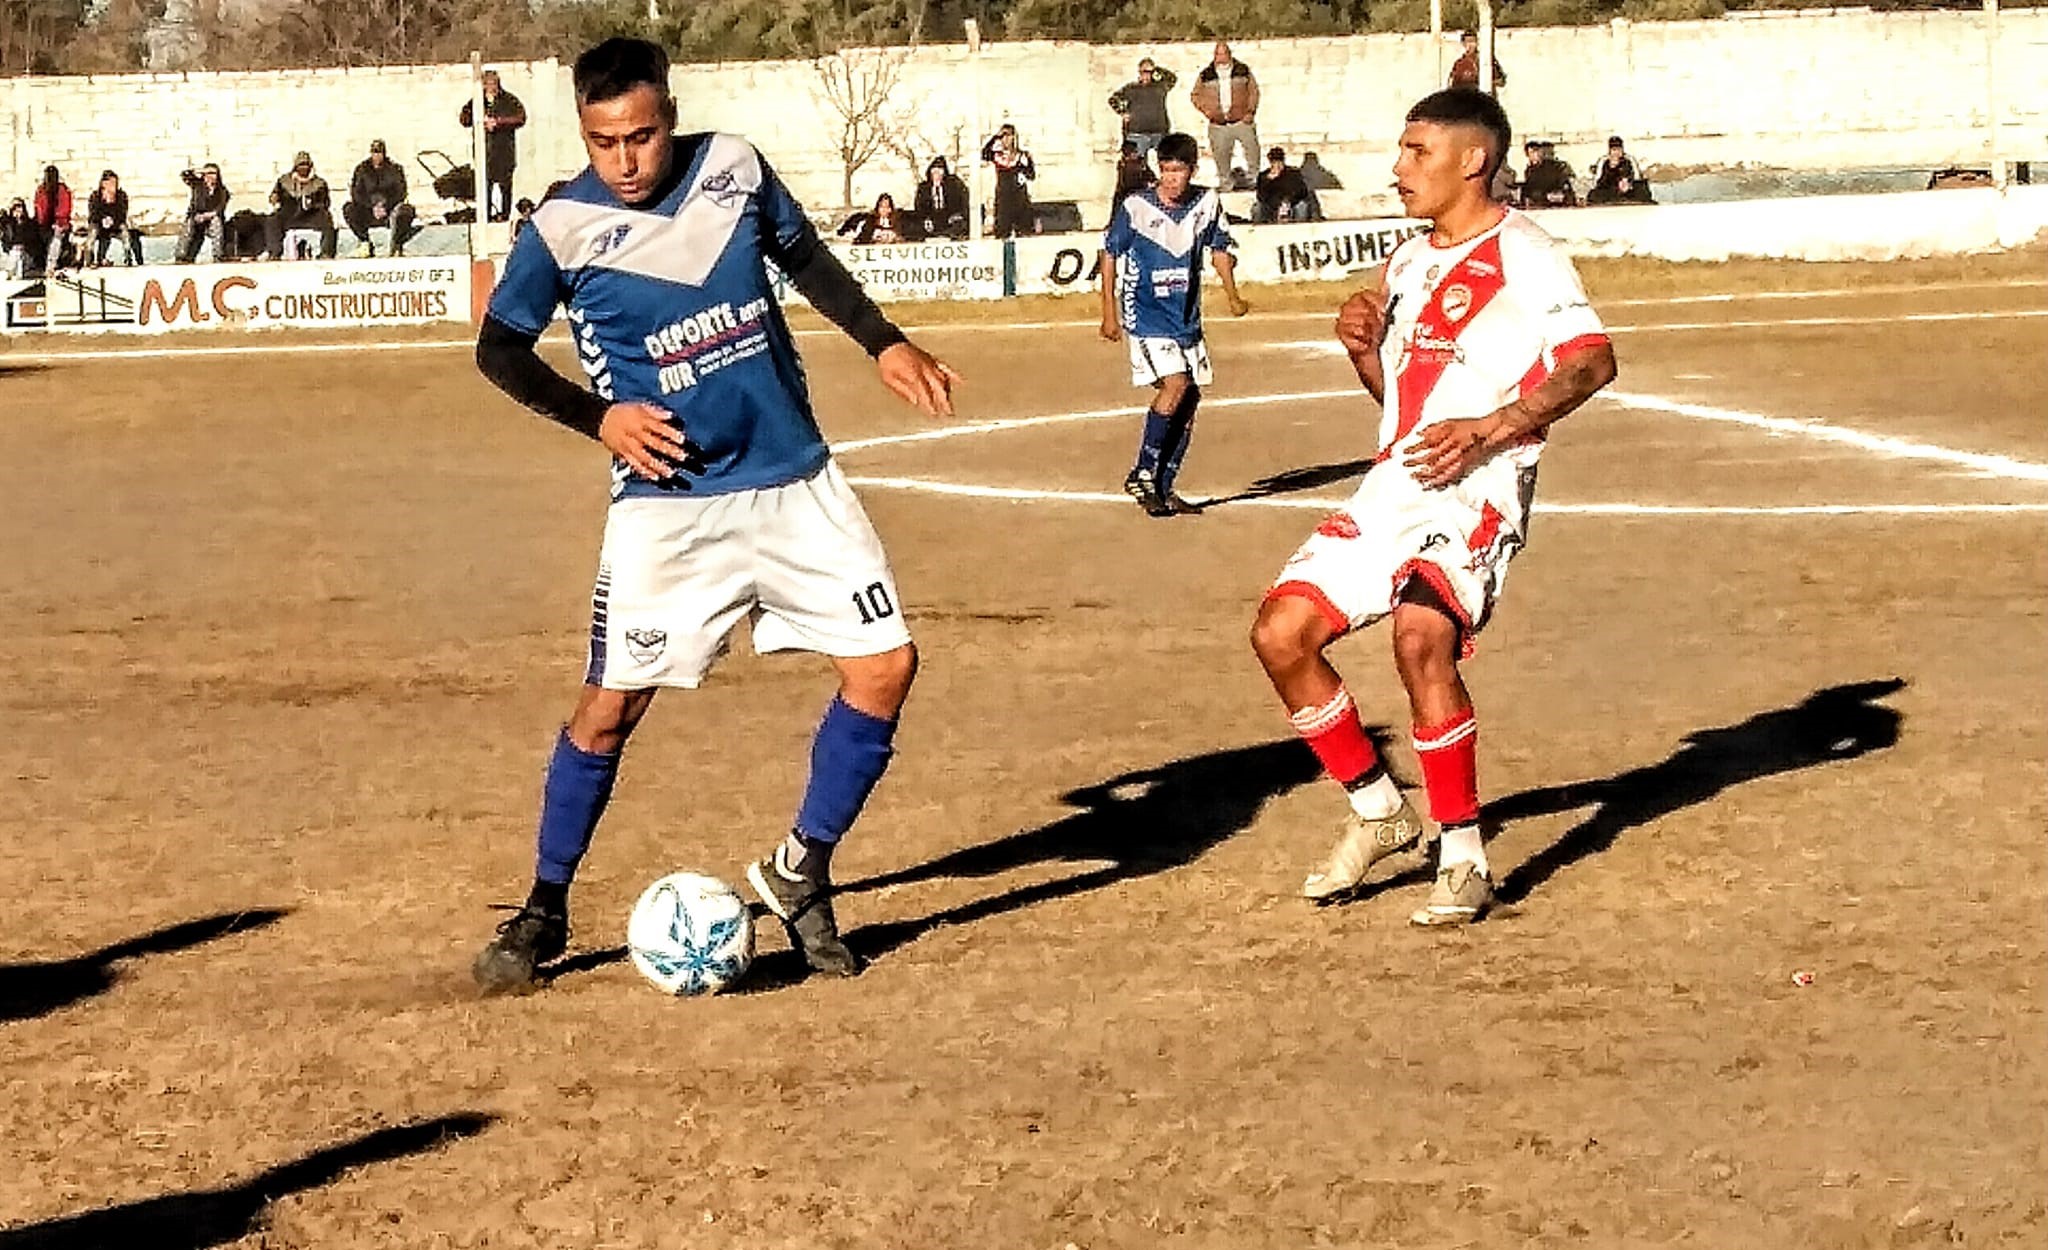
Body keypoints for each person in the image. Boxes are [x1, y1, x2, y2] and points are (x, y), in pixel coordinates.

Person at [469, 37, 961, 994]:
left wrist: (883, 343)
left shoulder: (732, 166)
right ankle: (544, 906)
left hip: (793, 483)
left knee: (887, 667)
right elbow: (500, 350)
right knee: (609, 708)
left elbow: (805, 256)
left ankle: (802, 870)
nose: (624, 161)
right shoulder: (563, 226)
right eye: (603, 142)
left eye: (642, 137)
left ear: (671, 115)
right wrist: (598, 416)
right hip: (670, 509)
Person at [1249, 90, 1616, 926]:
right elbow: (1398, 406)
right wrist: (1359, 351)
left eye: (1417, 152)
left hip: (1480, 485)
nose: (1398, 168)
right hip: (1398, 479)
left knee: (1423, 638)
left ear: (1472, 160)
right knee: (1280, 634)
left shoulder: (1525, 252)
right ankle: (1381, 813)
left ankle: (1463, 859)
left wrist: (1493, 428)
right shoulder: (1408, 262)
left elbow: (1591, 362)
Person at [1097, 131, 1250, 519]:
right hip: (1147, 316)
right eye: (1165, 170)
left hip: (1186, 319)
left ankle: (1164, 488)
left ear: (1192, 170)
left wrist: (1232, 295)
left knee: (1191, 398)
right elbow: (1110, 255)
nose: (1170, 178)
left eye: (1178, 170)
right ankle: (1143, 472)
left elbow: (1219, 251)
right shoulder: (1135, 206)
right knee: (1176, 384)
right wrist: (1108, 312)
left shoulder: (1207, 203)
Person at [460, 69, 528, 222]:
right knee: (485, 186)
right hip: (484, 152)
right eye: (487, 83)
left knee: (505, 186)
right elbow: (464, 119)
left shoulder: (508, 100)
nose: (490, 87)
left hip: (504, 150)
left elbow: (520, 117)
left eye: (493, 83)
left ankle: (505, 216)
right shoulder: (477, 101)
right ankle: (485, 216)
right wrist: (478, 118)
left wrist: (498, 122)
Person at [1191, 42, 1261, 188]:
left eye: (1223, 53)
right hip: (1218, 123)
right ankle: (1226, 182)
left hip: (1241, 119)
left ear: (1229, 54)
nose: (1220, 57)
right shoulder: (1206, 74)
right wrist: (1208, 112)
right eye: (1218, 54)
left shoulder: (1243, 70)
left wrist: (1250, 111)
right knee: (1220, 153)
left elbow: (1253, 91)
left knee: (1252, 149)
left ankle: (1254, 179)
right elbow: (1195, 95)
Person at [344, 139, 421, 257]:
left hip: (389, 209)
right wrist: (372, 206)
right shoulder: (362, 169)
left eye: (379, 152)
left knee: (407, 210)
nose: (377, 156)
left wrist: (386, 205)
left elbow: (400, 191)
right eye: (375, 152)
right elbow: (356, 193)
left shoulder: (394, 169)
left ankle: (397, 243)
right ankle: (365, 242)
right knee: (349, 208)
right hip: (368, 210)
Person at [264, 152, 338, 260]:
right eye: (300, 165)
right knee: (272, 220)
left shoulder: (319, 183)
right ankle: (274, 253)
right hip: (289, 214)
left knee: (326, 219)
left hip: (311, 215)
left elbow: (326, 203)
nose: (303, 168)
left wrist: (313, 204)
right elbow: (275, 195)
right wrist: (274, 198)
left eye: (306, 165)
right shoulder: (284, 181)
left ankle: (326, 252)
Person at [1108, 58, 1179, 166]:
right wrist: (1123, 112)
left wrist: (1157, 69)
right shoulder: (1132, 88)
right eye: (1143, 72)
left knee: (1167, 162)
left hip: (1159, 131)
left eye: (1149, 72)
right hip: (1137, 132)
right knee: (1135, 165)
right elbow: (1113, 99)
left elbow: (1172, 78)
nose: (1145, 75)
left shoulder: (1160, 86)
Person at [980, 124, 1036, 239]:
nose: (1006, 139)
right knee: (1002, 231)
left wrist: (1027, 163)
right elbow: (984, 153)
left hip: (1019, 197)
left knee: (1024, 230)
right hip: (1003, 197)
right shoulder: (998, 155)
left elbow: (1031, 175)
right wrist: (995, 137)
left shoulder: (1021, 155)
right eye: (1003, 136)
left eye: (1009, 136)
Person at [85, 170, 143, 267]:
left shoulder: (121, 196)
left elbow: (122, 213)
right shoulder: (95, 196)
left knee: (125, 232)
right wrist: (103, 216)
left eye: (113, 184)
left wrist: (112, 219)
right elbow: (93, 214)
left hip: (116, 224)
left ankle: (128, 258)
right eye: (108, 184)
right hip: (99, 224)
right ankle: (89, 260)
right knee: (92, 234)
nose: (111, 187)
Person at [176, 163, 231, 264]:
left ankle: (218, 256)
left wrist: (207, 215)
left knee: (216, 223)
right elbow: (185, 175)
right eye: (208, 173)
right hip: (196, 217)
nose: (210, 176)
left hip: (211, 218)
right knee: (188, 226)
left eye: (213, 173)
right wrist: (199, 171)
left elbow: (220, 208)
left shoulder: (222, 191)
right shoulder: (197, 185)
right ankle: (181, 257)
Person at [911, 156, 969, 241]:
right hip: (932, 221)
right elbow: (919, 208)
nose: (937, 176)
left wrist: (958, 215)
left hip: (950, 220)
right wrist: (926, 219)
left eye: (939, 173)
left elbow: (963, 203)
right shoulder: (923, 188)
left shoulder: (954, 186)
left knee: (960, 225)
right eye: (934, 173)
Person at [1253, 146, 1317, 223]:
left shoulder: (1293, 174)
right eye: (1274, 162)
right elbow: (1261, 196)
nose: (1277, 165)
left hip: (1291, 205)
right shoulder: (1263, 176)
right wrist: (1269, 180)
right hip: (1272, 207)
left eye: (1279, 162)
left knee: (1302, 206)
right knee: (1257, 207)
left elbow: (1301, 191)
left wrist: (1288, 201)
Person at [1586, 135, 1653, 205]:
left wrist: (1628, 183)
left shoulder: (1629, 159)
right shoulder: (1603, 161)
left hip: (1628, 189)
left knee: (1641, 189)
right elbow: (1596, 181)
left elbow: (1637, 177)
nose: (1616, 153)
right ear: (1610, 150)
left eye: (1619, 149)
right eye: (1614, 150)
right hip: (1609, 190)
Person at [31, 166, 72, 276]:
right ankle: (34, 265)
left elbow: (64, 209)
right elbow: (39, 209)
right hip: (43, 223)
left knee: (56, 238)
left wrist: (58, 223)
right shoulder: (41, 190)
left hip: (59, 223)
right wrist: (40, 223)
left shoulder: (62, 190)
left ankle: (50, 266)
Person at [1520, 140, 1577, 208]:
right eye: (1544, 153)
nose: (1548, 156)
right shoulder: (1532, 170)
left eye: (1551, 153)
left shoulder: (1560, 167)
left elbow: (1568, 184)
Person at [1112, 138, 1156, 206]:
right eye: (1134, 152)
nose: (1136, 154)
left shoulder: (1140, 163)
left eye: (1136, 151)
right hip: (1127, 194)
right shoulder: (1122, 165)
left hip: (1136, 193)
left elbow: (1150, 176)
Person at [2, 198, 38, 279]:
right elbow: (6, 239)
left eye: (20, 207)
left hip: (25, 252)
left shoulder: (29, 224)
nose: (18, 210)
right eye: (15, 208)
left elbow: (32, 240)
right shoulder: (8, 224)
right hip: (12, 251)